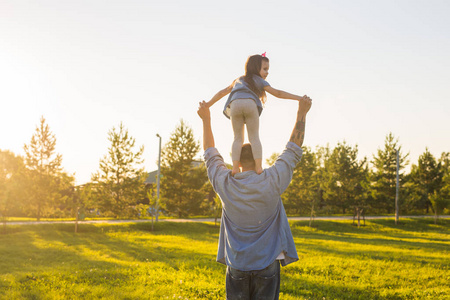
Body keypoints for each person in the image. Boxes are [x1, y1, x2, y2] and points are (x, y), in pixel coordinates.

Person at [197, 95, 312, 300]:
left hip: (237, 266)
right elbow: (293, 148)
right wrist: (301, 112)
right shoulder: (272, 180)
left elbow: (209, 153)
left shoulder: (225, 183)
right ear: (259, 157)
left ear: (237, 162)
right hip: (267, 265)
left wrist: (206, 119)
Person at [204, 53, 307, 176]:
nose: (267, 73)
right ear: (255, 68)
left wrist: (208, 104)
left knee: (237, 138)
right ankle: (258, 167)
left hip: (235, 104)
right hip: (250, 104)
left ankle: (235, 168)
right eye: (264, 69)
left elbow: (222, 92)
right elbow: (278, 93)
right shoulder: (259, 80)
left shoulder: (238, 80)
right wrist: (299, 98)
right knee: (254, 137)